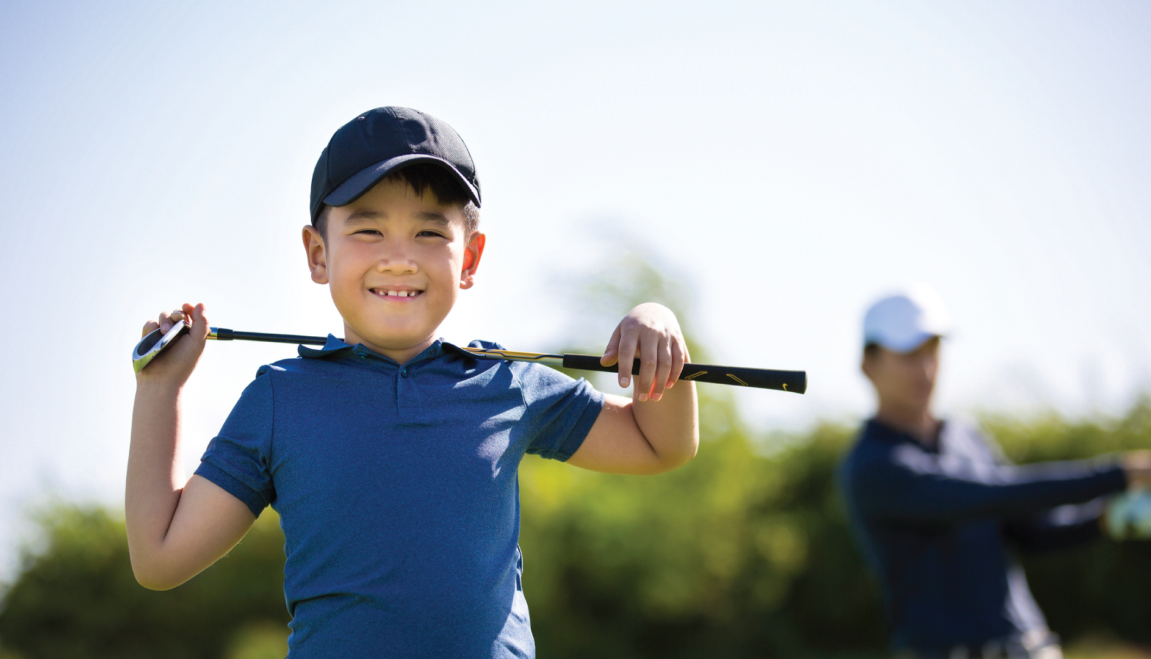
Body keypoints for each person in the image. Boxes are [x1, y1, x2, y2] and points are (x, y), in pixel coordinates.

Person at [125, 107, 700, 658]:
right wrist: (160, 389)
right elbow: (159, 558)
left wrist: (659, 326)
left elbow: (659, 444)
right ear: (317, 253)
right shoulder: (280, 399)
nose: (400, 259)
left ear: (469, 258)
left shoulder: (507, 384)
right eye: (368, 229)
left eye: (429, 234)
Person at [837, 286, 1151, 659]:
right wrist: (1121, 473)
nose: (925, 369)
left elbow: (1030, 532)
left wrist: (1112, 517)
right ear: (867, 365)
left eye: (932, 350)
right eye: (908, 355)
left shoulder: (966, 437)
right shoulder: (874, 464)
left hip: (1030, 646)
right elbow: (993, 494)